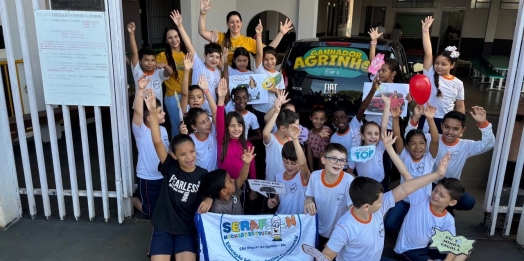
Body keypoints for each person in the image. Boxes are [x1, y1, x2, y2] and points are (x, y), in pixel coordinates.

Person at [321, 132, 451, 261]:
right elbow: (327, 255)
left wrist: (437, 174)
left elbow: (406, 187)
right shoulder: (345, 227)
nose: (384, 202)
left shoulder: (378, 208)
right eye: (379, 201)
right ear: (366, 206)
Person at [143, 88, 211, 261]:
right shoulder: (170, 167)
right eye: (183, 154)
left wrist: (209, 199)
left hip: (186, 229)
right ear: (174, 155)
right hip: (163, 227)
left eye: (192, 152)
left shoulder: (203, 174)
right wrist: (152, 110)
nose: (189, 157)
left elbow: (210, 194)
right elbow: (157, 141)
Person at [406, 106, 495, 212]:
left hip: (451, 186)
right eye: (447, 127)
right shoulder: (430, 138)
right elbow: (408, 136)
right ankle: (438, 207)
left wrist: (483, 123)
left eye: (456, 129)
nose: (450, 132)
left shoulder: (465, 145)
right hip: (430, 184)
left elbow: (489, 144)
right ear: (441, 126)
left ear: (463, 130)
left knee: (468, 202)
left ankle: (445, 205)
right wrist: (416, 117)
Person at [384, 104, 440, 233]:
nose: (417, 147)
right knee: (389, 225)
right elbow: (397, 136)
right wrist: (396, 118)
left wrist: (430, 119)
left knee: (421, 229)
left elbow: (435, 141)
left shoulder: (429, 158)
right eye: (413, 144)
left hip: (423, 203)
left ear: (426, 145)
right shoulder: (404, 156)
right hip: (404, 200)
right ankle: (402, 226)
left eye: (421, 143)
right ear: (407, 147)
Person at [198, 0, 293, 65]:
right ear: (227, 24)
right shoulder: (220, 37)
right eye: (231, 22)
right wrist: (203, 13)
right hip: (226, 75)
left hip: (242, 76)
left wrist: (281, 33)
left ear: (241, 23)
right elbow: (202, 32)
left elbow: (269, 48)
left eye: (237, 21)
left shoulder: (248, 41)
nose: (235, 24)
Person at [394, 177, 468, 261]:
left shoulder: (448, 219)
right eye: (435, 190)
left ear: (452, 202)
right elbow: (408, 177)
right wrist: (437, 174)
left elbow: (452, 245)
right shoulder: (420, 199)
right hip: (407, 251)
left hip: (427, 248)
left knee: (464, 247)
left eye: (442, 195)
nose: (435, 195)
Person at [304, 143, 355, 251]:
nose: (338, 163)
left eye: (342, 160)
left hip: (338, 234)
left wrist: (337, 237)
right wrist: (308, 201)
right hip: (316, 230)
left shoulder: (349, 181)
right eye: (333, 159)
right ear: (323, 160)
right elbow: (309, 197)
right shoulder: (315, 176)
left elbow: (351, 213)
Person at [131, 75, 169, 219]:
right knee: (150, 213)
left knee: (163, 208)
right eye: (160, 112)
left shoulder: (163, 130)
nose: (163, 113)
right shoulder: (140, 130)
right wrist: (140, 90)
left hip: (162, 176)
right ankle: (133, 199)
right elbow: (138, 112)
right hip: (147, 178)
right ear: (149, 118)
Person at [419, 16, 465, 133]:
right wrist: (425, 31)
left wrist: (460, 127)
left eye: (443, 64)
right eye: (437, 63)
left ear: (452, 65)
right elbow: (428, 53)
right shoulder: (430, 74)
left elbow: (459, 106)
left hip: (446, 122)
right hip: (427, 117)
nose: (439, 66)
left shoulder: (458, 83)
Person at [156, 10, 195, 137]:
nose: (174, 40)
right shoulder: (162, 56)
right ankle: (175, 153)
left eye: (176, 36)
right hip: (174, 97)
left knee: (189, 125)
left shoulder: (186, 54)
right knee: (178, 126)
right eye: (170, 37)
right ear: (166, 41)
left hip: (188, 95)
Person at [252, 20, 292, 131]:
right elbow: (260, 52)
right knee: (260, 136)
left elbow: (282, 94)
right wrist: (259, 35)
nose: (269, 62)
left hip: (272, 110)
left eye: (272, 59)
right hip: (258, 110)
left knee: (270, 136)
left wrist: (275, 90)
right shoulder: (260, 70)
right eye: (266, 59)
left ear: (276, 59)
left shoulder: (279, 75)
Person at [347, 93, 390, 190]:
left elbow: (384, 125)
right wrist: (357, 180)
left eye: (376, 134)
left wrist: (387, 105)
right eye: (369, 133)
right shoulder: (355, 152)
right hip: (364, 187)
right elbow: (349, 171)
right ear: (362, 136)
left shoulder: (380, 147)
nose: (373, 137)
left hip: (380, 185)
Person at [267, 124, 311, 214]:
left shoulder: (304, 176)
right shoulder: (278, 176)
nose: (289, 166)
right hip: (282, 219)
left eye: (293, 163)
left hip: (300, 221)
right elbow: (278, 197)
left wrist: (295, 139)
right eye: (285, 162)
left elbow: (303, 164)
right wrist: (274, 201)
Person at [127, 22, 173, 108]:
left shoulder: (158, 72)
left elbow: (170, 72)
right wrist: (131, 33)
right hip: (141, 110)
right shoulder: (137, 72)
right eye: (146, 60)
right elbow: (134, 53)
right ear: (140, 61)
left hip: (157, 110)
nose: (150, 63)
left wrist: (165, 65)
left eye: (152, 60)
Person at [201, 146, 256, 215]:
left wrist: (246, 163)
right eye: (230, 180)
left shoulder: (234, 191)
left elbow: (242, 178)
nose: (233, 180)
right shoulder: (217, 209)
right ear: (224, 191)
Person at [263, 90, 299, 182]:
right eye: (293, 127)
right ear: (283, 128)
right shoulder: (272, 140)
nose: (297, 129)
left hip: (288, 182)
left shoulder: (292, 139)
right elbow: (265, 133)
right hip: (272, 183)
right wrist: (276, 111)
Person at [191, 42, 225, 115]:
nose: (214, 59)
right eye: (211, 56)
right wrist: (181, 29)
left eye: (217, 57)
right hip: (197, 109)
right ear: (205, 56)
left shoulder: (217, 73)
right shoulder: (198, 66)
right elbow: (189, 45)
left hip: (211, 110)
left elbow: (216, 91)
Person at [306, 106, 331, 171]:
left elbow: (330, 133)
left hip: (326, 161)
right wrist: (311, 170)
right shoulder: (309, 134)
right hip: (314, 161)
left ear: (325, 119)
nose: (318, 122)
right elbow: (309, 154)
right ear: (311, 118)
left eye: (321, 119)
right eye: (315, 118)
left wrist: (325, 133)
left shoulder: (326, 129)